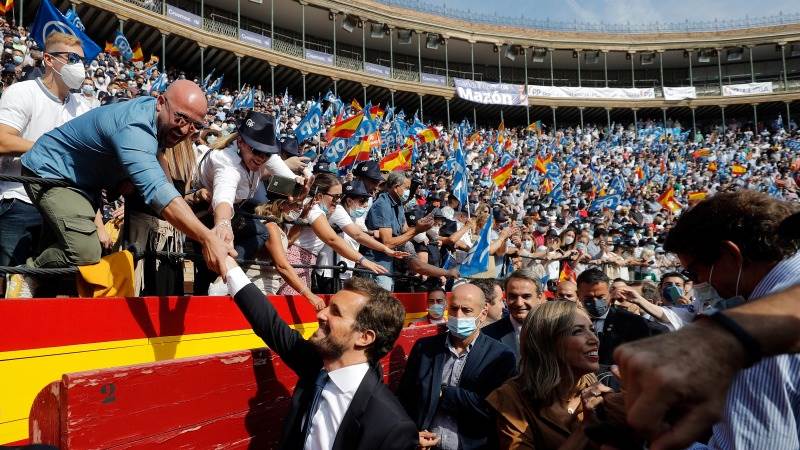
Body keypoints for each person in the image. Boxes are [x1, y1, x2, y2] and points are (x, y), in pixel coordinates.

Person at [17, 80, 235, 285]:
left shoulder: (157, 117)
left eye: (195, 125)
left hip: (81, 183)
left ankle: (36, 290)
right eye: (181, 119)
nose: (186, 129)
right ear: (160, 102)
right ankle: (26, 275)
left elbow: (164, 182)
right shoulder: (135, 127)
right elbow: (159, 192)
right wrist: (207, 237)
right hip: (53, 174)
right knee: (85, 252)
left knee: (64, 254)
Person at [221, 256, 418, 449]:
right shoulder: (316, 364)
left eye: (335, 312)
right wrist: (226, 261)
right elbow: (270, 325)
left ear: (364, 337)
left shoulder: (391, 426)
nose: (320, 314)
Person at [655, 190, 800, 450]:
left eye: (694, 272)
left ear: (730, 254)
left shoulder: (750, 336)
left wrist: (652, 434)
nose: (697, 284)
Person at [614, 283, 800, 450]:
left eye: (695, 272)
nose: (701, 281)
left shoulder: (747, 350)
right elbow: (679, 316)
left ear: (731, 254)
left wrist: (727, 336)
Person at [0, 33, 95, 274]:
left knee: (46, 292)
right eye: (72, 58)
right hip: (20, 201)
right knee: (8, 282)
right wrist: (50, 148)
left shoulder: (83, 107)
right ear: (49, 60)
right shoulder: (22, 92)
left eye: (82, 60)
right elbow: (2, 141)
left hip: (65, 209)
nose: (79, 66)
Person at [487, 301, 626, 449]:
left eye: (592, 330)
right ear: (546, 342)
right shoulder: (511, 397)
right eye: (578, 331)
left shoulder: (607, 384)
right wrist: (585, 428)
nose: (594, 339)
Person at [397, 282, 516, 450]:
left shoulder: (500, 356)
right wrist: (412, 435)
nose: (458, 316)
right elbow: (406, 397)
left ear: (482, 314)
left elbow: (491, 409)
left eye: (466, 310)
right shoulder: (425, 348)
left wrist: (443, 393)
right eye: (454, 309)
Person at [285, 173, 387, 294]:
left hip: (305, 262)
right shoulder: (314, 208)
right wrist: (363, 260)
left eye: (340, 196)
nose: (338, 201)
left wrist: (385, 249)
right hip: (296, 260)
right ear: (319, 195)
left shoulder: (318, 207)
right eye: (335, 197)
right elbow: (332, 239)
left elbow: (357, 233)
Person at [314, 179, 409, 293]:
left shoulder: (357, 217)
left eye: (366, 201)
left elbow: (362, 234)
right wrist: (383, 250)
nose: (364, 205)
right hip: (331, 270)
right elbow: (357, 235)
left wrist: (381, 244)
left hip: (346, 269)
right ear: (349, 201)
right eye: (362, 200)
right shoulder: (336, 210)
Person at [576, 268, 666, 369]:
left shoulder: (630, 322)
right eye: (588, 298)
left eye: (601, 297)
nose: (595, 302)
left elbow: (662, 332)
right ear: (578, 295)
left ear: (610, 293)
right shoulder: (570, 321)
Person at [364, 171, 433, 290]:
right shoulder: (382, 205)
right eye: (406, 188)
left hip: (389, 264)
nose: (408, 191)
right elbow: (388, 242)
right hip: (376, 264)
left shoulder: (399, 204)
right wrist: (416, 230)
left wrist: (421, 226)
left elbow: (404, 231)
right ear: (396, 187)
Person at [483, 269, 545, 360]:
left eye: (526, 296)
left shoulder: (555, 332)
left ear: (539, 298)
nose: (519, 303)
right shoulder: (487, 335)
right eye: (513, 296)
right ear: (506, 298)